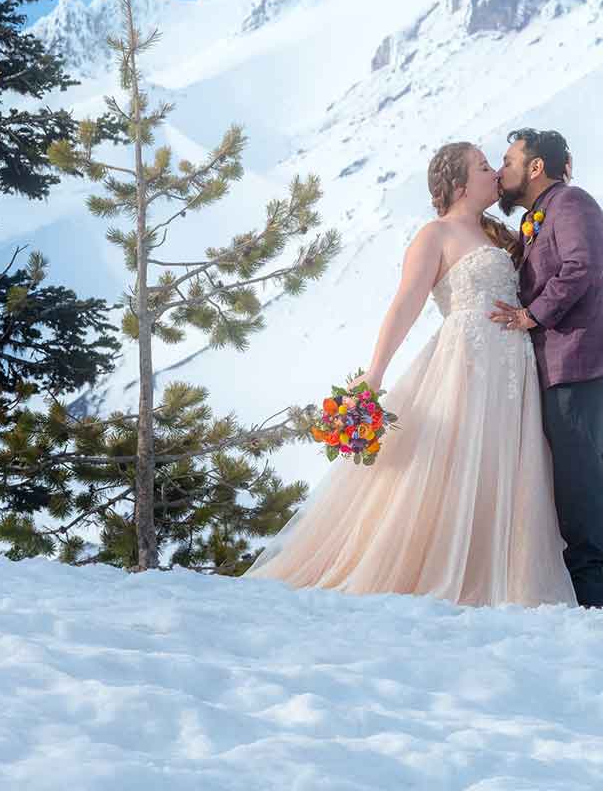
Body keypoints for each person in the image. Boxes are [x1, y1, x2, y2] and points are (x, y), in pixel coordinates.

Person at [243, 142, 575, 608]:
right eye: (484, 168)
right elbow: (405, 305)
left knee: (503, 463)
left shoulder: (497, 236)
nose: (494, 174)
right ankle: (443, 566)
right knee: (455, 461)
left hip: (513, 367)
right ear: (459, 185)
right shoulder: (434, 236)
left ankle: (497, 569)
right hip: (466, 362)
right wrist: (373, 376)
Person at [490, 128, 603, 607]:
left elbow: (581, 266)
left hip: (580, 357)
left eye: (509, 160)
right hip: (573, 360)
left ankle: (591, 595)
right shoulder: (542, 214)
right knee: (593, 472)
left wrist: (533, 315)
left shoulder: (571, 203)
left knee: (580, 476)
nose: (501, 170)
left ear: (536, 167)